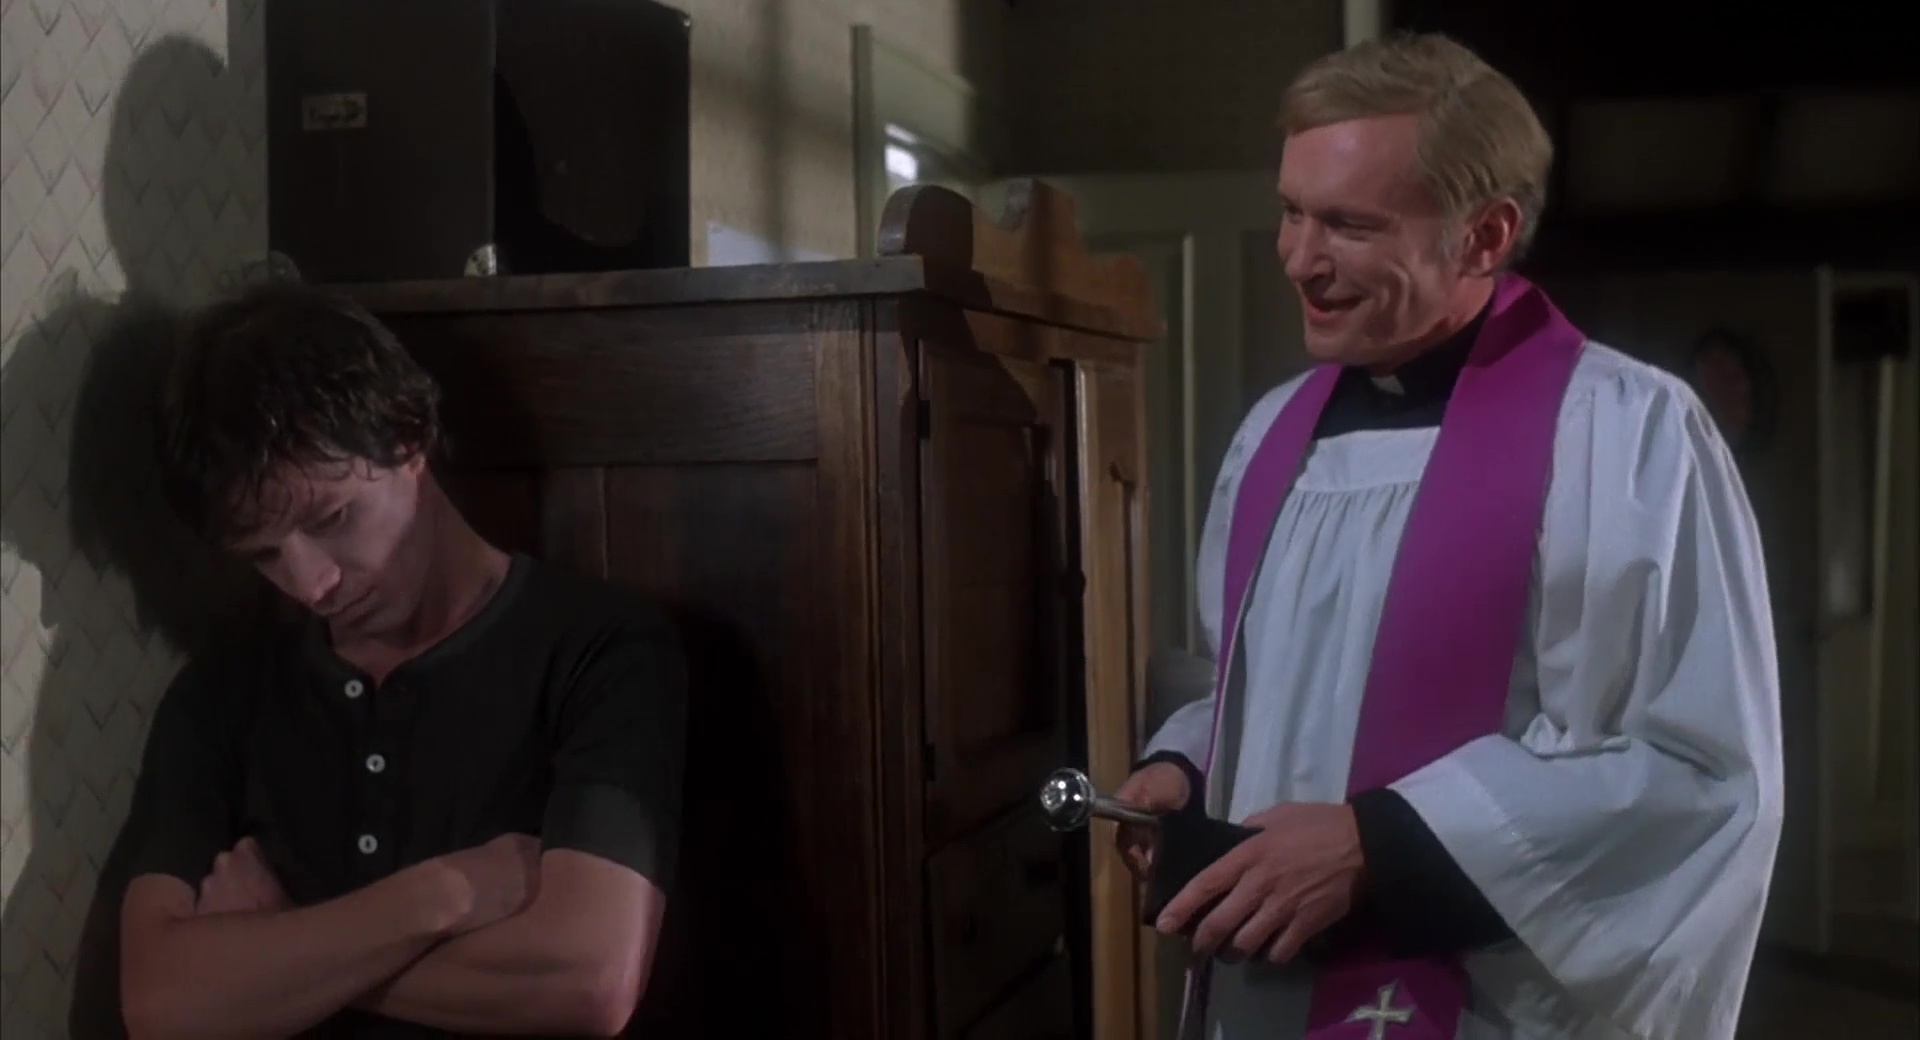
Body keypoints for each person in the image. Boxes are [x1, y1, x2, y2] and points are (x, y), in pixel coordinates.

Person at [1111, 32, 1783, 1040]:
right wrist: (1192, 767)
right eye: (1291, 211)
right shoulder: (1272, 435)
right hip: (1268, 995)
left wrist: (1379, 845)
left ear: (1484, 234)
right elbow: (1271, 686)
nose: (1298, 258)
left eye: (1348, 224)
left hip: (1485, 1006)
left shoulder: (1625, 435)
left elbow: (1700, 779)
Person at [117, 281, 688, 1038]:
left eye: (333, 518)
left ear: (409, 435)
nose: (311, 585)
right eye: (264, 555)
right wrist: (439, 899)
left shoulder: (597, 648)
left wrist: (281, 943)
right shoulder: (221, 694)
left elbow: (589, 980)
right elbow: (161, 1003)